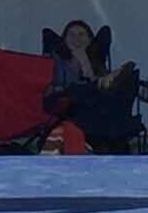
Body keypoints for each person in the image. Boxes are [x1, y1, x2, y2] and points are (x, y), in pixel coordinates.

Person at [45, 19, 139, 154]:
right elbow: (55, 87)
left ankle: (117, 79)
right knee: (89, 90)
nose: (77, 38)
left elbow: (96, 83)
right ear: (64, 40)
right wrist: (79, 60)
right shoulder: (56, 60)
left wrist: (86, 63)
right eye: (71, 34)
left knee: (122, 85)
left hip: (97, 107)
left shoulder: (96, 61)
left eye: (82, 34)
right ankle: (112, 79)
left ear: (90, 40)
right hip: (71, 106)